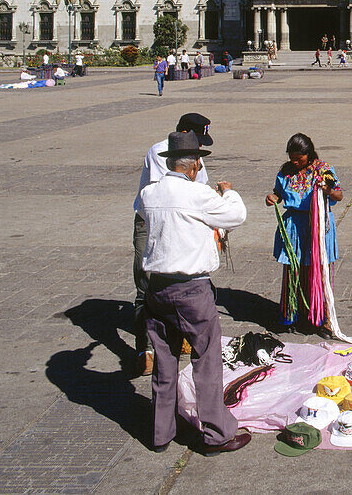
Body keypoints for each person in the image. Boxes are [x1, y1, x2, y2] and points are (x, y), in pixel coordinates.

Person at [140, 130, 250, 454]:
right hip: (191, 290)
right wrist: (228, 193)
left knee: (164, 362)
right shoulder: (196, 194)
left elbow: (148, 216)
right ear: (194, 165)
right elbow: (236, 215)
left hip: (157, 288)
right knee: (206, 360)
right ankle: (217, 433)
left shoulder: (150, 193)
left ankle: (161, 433)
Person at [132, 113, 214, 376]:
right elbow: (162, 197)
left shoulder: (195, 157)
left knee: (183, 278)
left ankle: (182, 336)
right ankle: (145, 351)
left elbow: (202, 188)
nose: (200, 148)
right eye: (197, 141)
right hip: (152, 223)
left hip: (183, 222)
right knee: (147, 283)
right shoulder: (160, 153)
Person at [265, 133, 343, 332]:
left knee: (318, 269)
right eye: (292, 157)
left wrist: (326, 190)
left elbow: (339, 195)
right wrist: (272, 197)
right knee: (293, 270)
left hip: (317, 224)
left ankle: (322, 316)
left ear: (308, 154)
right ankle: (290, 314)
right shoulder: (286, 171)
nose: (295, 162)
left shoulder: (323, 170)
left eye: (299, 158)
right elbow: (278, 192)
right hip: (293, 225)